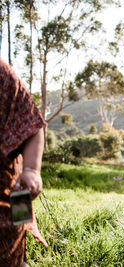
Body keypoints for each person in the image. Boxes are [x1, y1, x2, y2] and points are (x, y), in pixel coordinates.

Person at [0, 58, 48, 266]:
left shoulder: (3, 75)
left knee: (15, 254)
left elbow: (33, 125)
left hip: (12, 190)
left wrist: (31, 170)